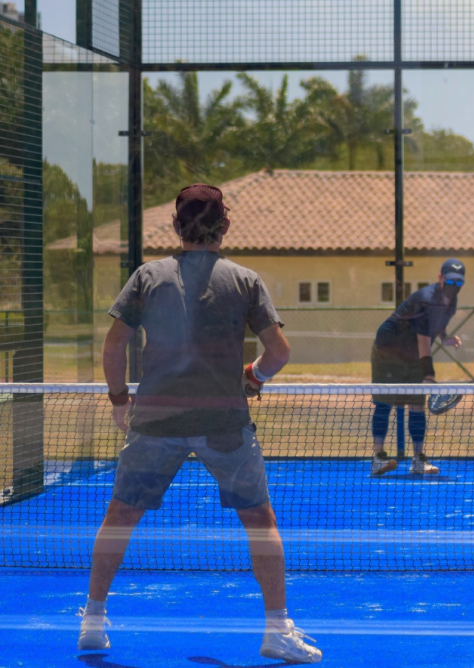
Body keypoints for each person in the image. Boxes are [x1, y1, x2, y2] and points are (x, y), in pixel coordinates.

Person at [77, 184, 321, 664]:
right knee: (259, 522)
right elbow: (279, 353)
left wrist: (119, 400)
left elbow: (113, 347)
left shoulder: (148, 276)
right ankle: (276, 631)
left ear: (176, 226)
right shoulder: (245, 281)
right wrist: (254, 376)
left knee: (120, 515)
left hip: (155, 420)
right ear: (224, 226)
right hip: (225, 423)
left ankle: (92, 621)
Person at [369, 259, 465, 475]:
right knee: (385, 402)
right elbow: (424, 341)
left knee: (417, 405)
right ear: (440, 278)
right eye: (450, 281)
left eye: (458, 283)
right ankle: (377, 459)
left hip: (412, 353)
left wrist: (445, 337)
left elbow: (438, 323)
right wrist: (429, 374)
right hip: (388, 349)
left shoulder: (452, 300)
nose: (453, 287)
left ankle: (419, 461)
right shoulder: (426, 300)